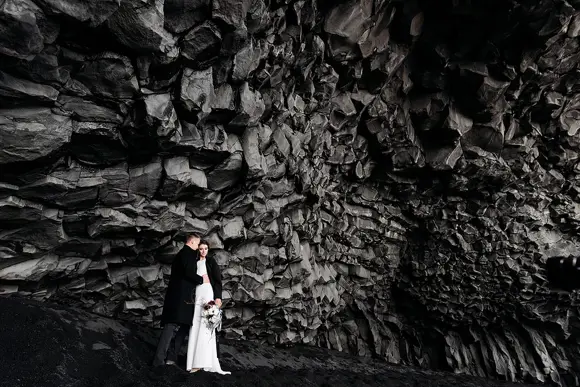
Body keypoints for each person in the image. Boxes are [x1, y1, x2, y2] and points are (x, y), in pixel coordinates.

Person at [152, 234, 210, 367]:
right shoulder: (188, 254)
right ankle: (160, 359)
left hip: (176, 296)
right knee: (172, 326)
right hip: (180, 298)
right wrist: (202, 280)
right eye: (198, 244)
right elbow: (188, 273)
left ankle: (166, 357)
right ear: (193, 242)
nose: (198, 247)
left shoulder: (181, 254)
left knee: (177, 325)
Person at [186, 239, 230, 374]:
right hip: (198, 294)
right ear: (198, 250)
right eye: (201, 249)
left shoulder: (211, 262)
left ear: (208, 249)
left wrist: (218, 297)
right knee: (196, 323)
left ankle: (201, 363)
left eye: (205, 248)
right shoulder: (194, 262)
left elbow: (217, 281)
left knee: (206, 325)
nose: (203, 251)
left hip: (208, 293)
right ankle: (193, 361)